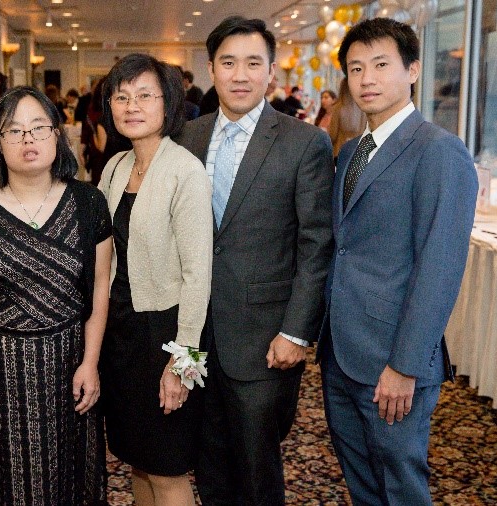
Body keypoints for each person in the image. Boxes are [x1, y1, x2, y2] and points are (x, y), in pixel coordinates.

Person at [319, 18, 478, 505]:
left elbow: (440, 267)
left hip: (394, 361)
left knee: (401, 486)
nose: (366, 79)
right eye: (356, 68)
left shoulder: (439, 151)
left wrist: (405, 365)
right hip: (341, 353)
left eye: (381, 65)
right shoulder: (350, 154)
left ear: (412, 70)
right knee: (362, 484)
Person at [176, 16, 334, 504]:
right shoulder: (188, 136)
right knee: (209, 464)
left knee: (257, 468)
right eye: (228, 62)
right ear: (210, 69)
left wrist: (295, 332)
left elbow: (316, 244)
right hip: (194, 335)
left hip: (264, 339)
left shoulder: (304, 142)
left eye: (252, 63)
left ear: (270, 71)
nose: (240, 74)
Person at [0, 86, 112, 504]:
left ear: (58, 134)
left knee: (69, 480)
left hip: (69, 365)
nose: (28, 140)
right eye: (14, 131)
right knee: (4, 483)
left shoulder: (89, 203)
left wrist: (91, 362)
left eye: (39, 128)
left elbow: (99, 289)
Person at [98, 53, 212, 506]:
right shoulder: (115, 167)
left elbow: (198, 274)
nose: (132, 106)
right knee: (137, 460)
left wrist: (183, 363)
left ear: (169, 104)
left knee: (166, 466)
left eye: (145, 95)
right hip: (122, 331)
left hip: (165, 332)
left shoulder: (185, 171)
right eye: (122, 96)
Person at [328, 77, 367, 159]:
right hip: (360, 153)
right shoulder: (364, 108)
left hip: (341, 152)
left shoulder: (338, 108)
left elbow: (332, 135)